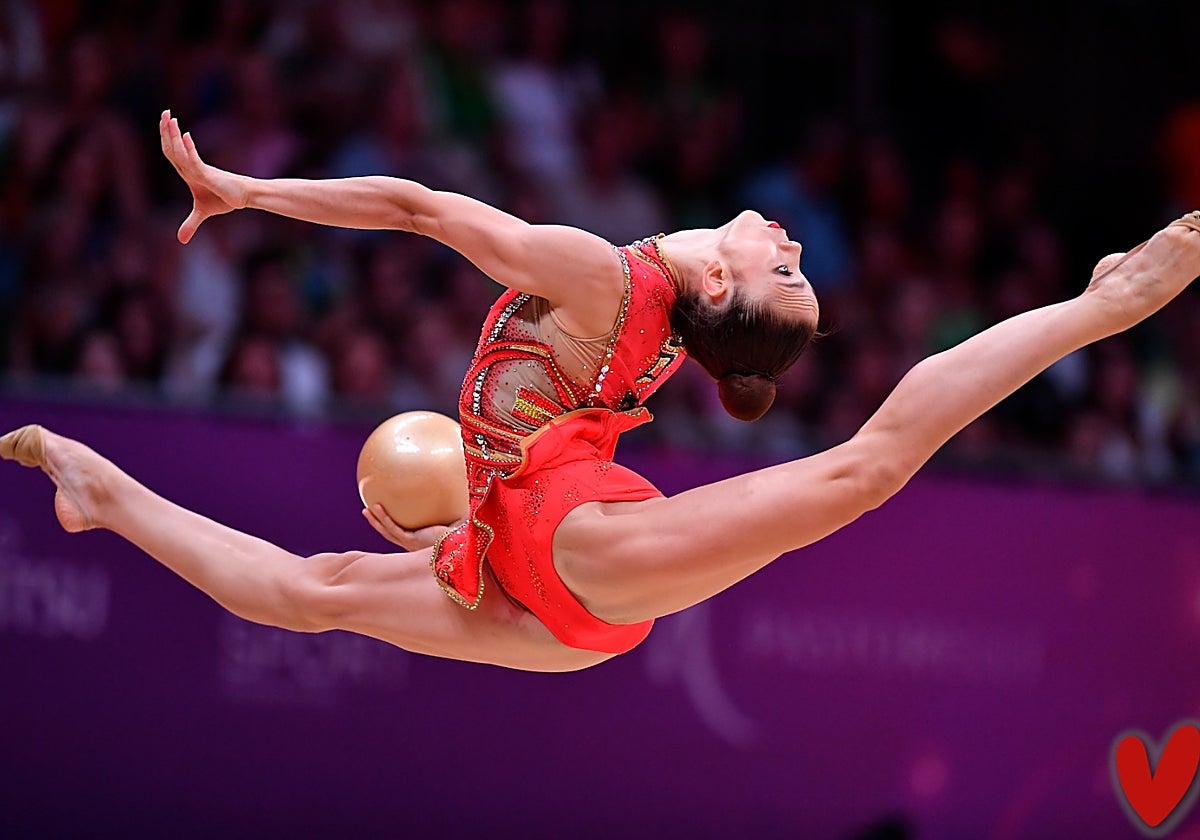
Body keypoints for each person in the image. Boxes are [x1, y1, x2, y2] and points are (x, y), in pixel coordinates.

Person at [3, 112, 1200, 672]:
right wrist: (465, 502)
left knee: (863, 469)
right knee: (311, 593)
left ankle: (1105, 304)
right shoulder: (666, 325)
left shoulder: (608, 283)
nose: (793, 245)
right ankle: (99, 488)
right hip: (547, 576)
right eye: (796, 265)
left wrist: (251, 192)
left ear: (726, 281)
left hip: (572, 547)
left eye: (789, 271)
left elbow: (422, 209)